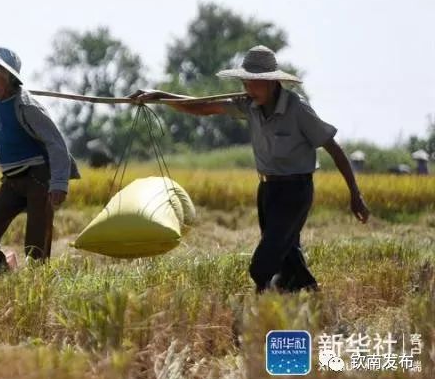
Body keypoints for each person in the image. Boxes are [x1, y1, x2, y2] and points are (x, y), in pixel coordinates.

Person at [131, 45, 370, 293]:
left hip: (295, 191)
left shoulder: (297, 109)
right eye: (246, 83)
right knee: (286, 253)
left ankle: (262, 303)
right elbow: (201, 107)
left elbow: (334, 148)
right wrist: (158, 95)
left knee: (264, 262)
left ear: (272, 83)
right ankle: (308, 293)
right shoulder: (249, 105)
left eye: (254, 83)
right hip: (267, 189)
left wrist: (355, 194)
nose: (248, 89)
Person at [0, 47, 80, 273]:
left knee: (36, 249)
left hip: (38, 179)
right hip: (12, 181)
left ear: (9, 79)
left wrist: (59, 184)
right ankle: (5, 277)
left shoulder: (28, 106)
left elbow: (57, 145)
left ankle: (37, 289)